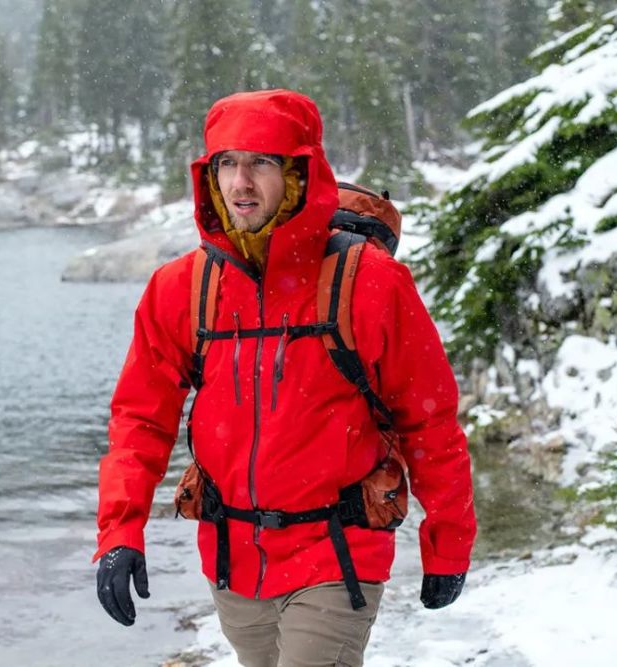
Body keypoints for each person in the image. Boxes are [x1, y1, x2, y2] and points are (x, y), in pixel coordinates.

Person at [94, 88, 476, 667]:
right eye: (227, 163)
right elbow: (140, 420)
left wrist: (448, 543)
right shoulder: (181, 288)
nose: (240, 182)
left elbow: (429, 421)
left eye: (261, 162)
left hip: (338, 553)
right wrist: (120, 532)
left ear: (298, 171)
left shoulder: (370, 282)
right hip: (232, 562)